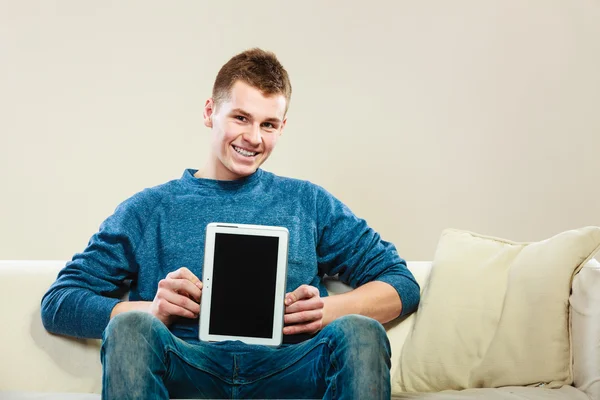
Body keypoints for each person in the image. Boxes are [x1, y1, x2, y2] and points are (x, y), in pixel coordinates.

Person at [41, 48, 420, 399]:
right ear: (210, 112)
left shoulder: (309, 202)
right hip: (188, 366)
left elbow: (401, 283)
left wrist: (327, 310)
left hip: (289, 369)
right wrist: (150, 310)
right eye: (241, 118)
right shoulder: (149, 209)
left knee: (361, 332)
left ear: (282, 127)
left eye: (269, 124)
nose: (253, 138)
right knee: (130, 328)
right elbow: (59, 302)